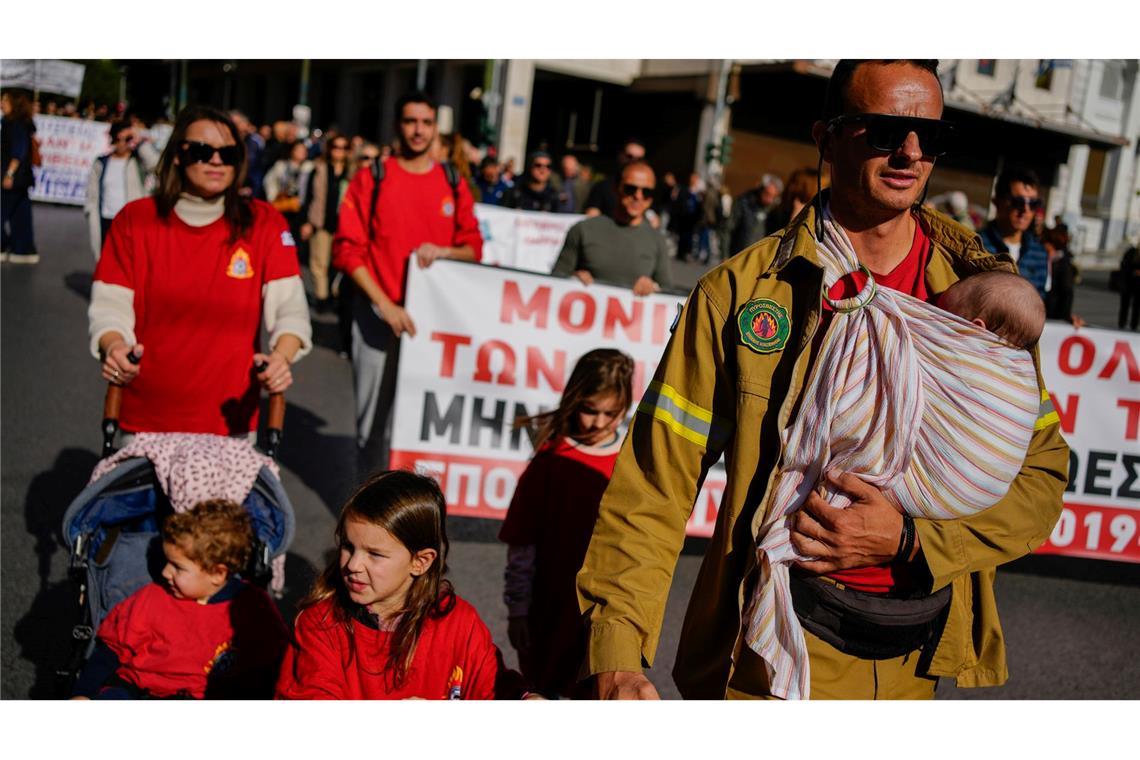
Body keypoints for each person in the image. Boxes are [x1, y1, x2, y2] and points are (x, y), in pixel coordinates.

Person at [576, 59, 1068, 701]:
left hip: (909, 665)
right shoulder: (739, 296)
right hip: (766, 656)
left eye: (931, 135)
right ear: (827, 136)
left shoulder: (983, 300)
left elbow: (1041, 474)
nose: (911, 152)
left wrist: (914, 539)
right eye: (886, 129)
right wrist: (618, 650)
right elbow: (655, 484)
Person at [88, 105, 312, 438]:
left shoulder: (264, 223)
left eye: (229, 152)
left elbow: (290, 308)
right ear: (178, 154)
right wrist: (115, 344)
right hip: (143, 419)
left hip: (231, 424)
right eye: (202, 151)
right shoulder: (136, 220)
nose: (217, 160)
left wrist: (281, 357)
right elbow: (110, 305)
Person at [333, 91, 483, 473]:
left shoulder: (452, 181)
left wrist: (445, 252)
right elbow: (347, 251)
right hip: (377, 318)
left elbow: (474, 248)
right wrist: (384, 305)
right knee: (372, 428)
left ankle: (410, 511)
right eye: (411, 121)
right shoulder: (373, 178)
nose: (418, 131)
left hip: (431, 326)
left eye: (426, 123)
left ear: (436, 129)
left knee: (421, 426)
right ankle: (369, 510)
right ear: (398, 125)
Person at [276, 470, 511, 699]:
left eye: (374, 554)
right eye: (348, 546)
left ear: (420, 562)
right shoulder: (321, 625)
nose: (354, 564)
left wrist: (524, 697)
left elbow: (493, 685)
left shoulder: (461, 624)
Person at [499, 349, 634, 698]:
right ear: (575, 400)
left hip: (606, 613)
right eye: (590, 410)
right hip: (548, 613)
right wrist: (517, 611)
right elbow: (522, 543)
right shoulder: (550, 460)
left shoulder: (631, 464)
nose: (598, 423)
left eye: (611, 413)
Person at [71, 500, 290, 699]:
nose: (165, 572)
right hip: (138, 689)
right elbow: (111, 650)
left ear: (217, 574)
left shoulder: (253, 607)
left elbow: (277, 663)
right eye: (168, 562)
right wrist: (83, 693)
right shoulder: (152, 598)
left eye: (178, 567)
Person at [551, 160, 672, 296]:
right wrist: (572, 279)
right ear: (616, 188)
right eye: (630, 189)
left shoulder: (657, 240)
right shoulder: (583, 230)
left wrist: (653, 287)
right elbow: (555, 280)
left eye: (647, 192)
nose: (638, 196)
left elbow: (667, 293)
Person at [84, 120, 160, 260]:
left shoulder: (137, 161)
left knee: (131, 261)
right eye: (118, 139)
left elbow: (157, 166)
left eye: (127, 139)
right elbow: (92, 193)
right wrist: (90, 211)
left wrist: (140, 143)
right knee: (107, 262)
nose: (122, 143)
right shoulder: (101, 162)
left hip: (130, 220)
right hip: (106, 219)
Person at [300, 134, 353, 312]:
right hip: (321, 222)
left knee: (337, 264)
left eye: (344, 147)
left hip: (344, 225)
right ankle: (322, 298)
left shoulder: (352, 172)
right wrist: (307, 221)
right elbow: (309, 197)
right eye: (336, 147)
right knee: (319, 263)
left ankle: (332, 294)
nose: (339, 151)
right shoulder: (320, 169)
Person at [979, 167, 1049, 300]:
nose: (1025, 210)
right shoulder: (975, 246)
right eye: (1018, 202)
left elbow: (1040, 301)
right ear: (997, 202)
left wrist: (1065, 317)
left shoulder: (1039, 253)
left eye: (1033, 204)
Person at [1, 89, 38, 264]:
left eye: (5, 101)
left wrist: (9, 174)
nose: (1, 104)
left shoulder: (15, 124)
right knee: (20, 215)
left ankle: (3, 245)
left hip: (14, 177)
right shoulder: (20, 123)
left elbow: (18, 152)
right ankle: (23, 249)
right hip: (22, 178)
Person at [264, 141, 313, 245]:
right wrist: (273, 196)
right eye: (298, 150)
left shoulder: (310, 168)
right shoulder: (281, 166)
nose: (301, 153)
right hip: (283, 208)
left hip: (300, 212)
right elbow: (269, 181)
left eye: (303, 151)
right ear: (292, 151)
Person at [584, 138, 647, 219]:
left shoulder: (647, 189)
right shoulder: (602, 186)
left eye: (639, 159)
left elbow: (654, 219)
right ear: (620, 156)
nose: (634, 161)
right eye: (629, 156)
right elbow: (592, 216)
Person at [729, 173, 783, 255]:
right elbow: (729, 228)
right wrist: (724, 255)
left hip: (758, 256)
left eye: (773, 197)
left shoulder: (773, 210)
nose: (769, 200)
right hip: (738, 254)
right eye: (767, 194)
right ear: (761, 189)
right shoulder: (744, 202)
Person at [1043, 226, 1078, 323]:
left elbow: (1067, 292)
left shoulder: (1062, 264)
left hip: (1053, 314)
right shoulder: (1048, 259)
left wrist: (1064, 317)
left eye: (1046, 242)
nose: (1043, 244)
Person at [1119, 241, 1140, 331]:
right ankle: (1122, 323)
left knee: (1137, 306)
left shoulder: (1131, 252)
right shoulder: (1131, 252)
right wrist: (1132, 271)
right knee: (1125, 304)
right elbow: (1123, 265)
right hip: (1128, 282)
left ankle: (1134, 325)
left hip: (1138, 285)